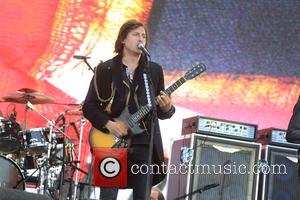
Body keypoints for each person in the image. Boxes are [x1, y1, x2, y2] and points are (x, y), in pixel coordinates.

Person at [82, 19, 175, 200]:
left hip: (142, 142)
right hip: (110, 140)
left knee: (142, 195)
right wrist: (109, 124)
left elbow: (159, 110)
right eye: (136, 34)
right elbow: (89, 106)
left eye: (144, 36)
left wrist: (168, 108)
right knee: (108, 195)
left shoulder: (153, 70)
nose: (141, 39)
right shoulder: (105, 69)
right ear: (123, 39)